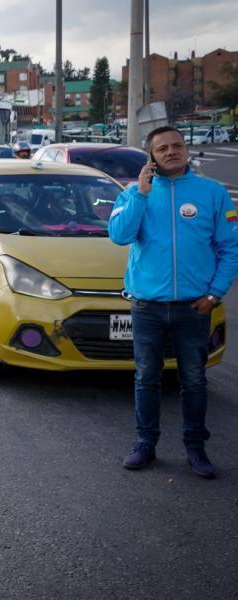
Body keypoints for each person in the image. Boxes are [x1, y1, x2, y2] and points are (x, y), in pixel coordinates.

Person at [108, 125, 238, 479]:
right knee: (146, 378)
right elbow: (119, 236)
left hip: (194, 307)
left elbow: (230, 249)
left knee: (194, 380)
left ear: (186, 150)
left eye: (177, 146)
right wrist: (142, 194)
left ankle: (196, 447)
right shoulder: (135, 193)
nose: (171, 152)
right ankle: (145, 444)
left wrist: (214, 295)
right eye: (162, 148)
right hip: (148, 307)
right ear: (151, 156)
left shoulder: (211, 193)